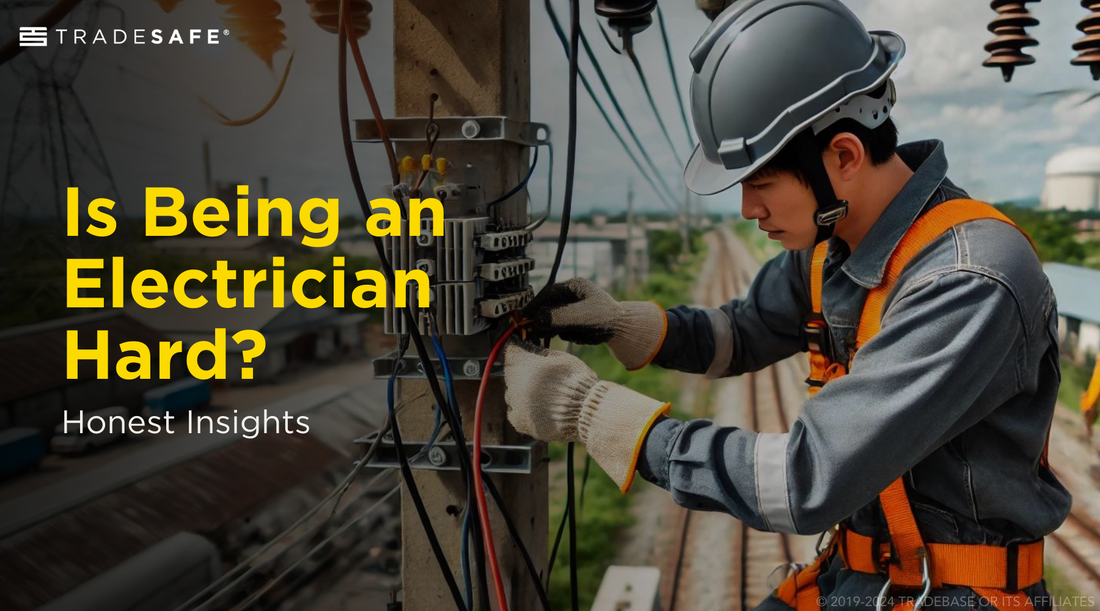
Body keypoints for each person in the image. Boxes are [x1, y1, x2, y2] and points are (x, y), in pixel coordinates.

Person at [503, 1, 1071, 611]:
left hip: (953, 593)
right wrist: (627, 325)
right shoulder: (834, 244)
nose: (748, 209)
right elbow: (743, 333)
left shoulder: (969, 279)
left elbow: (807, 479)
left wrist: (599, 415)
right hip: (858, 576)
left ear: (845, 156)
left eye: (761, 183)